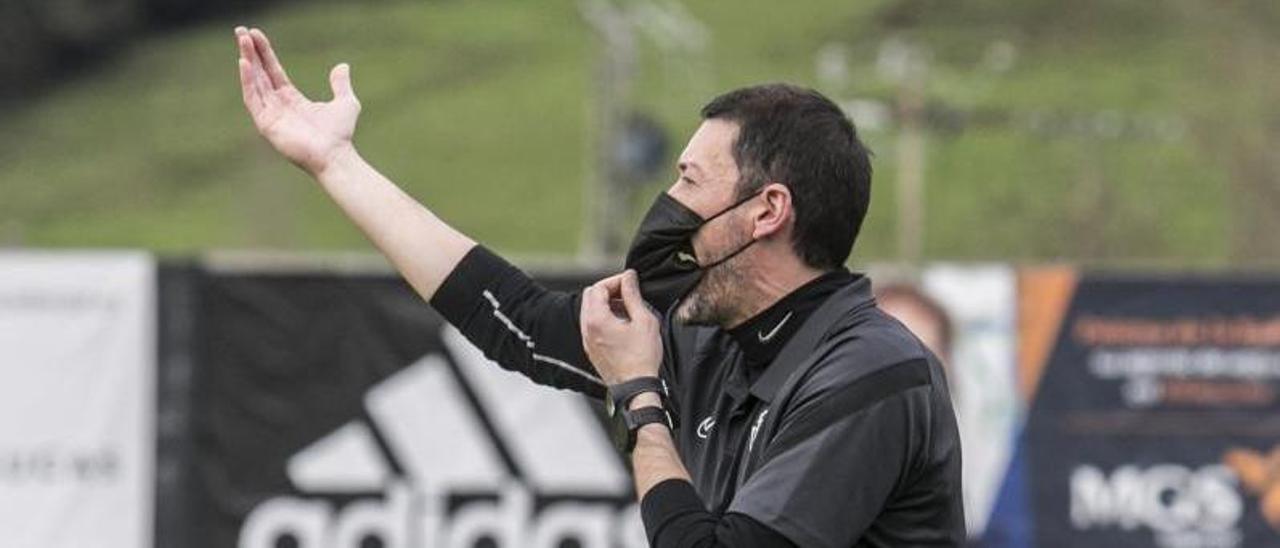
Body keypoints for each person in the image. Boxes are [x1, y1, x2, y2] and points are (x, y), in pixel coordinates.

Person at [234, 26, 964, 547]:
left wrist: (641, 402)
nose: (670, 203)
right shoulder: (713, 333)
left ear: (767, 211)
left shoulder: (871, 373)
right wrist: (337, 166)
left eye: (689, 180)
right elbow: (518, 323)